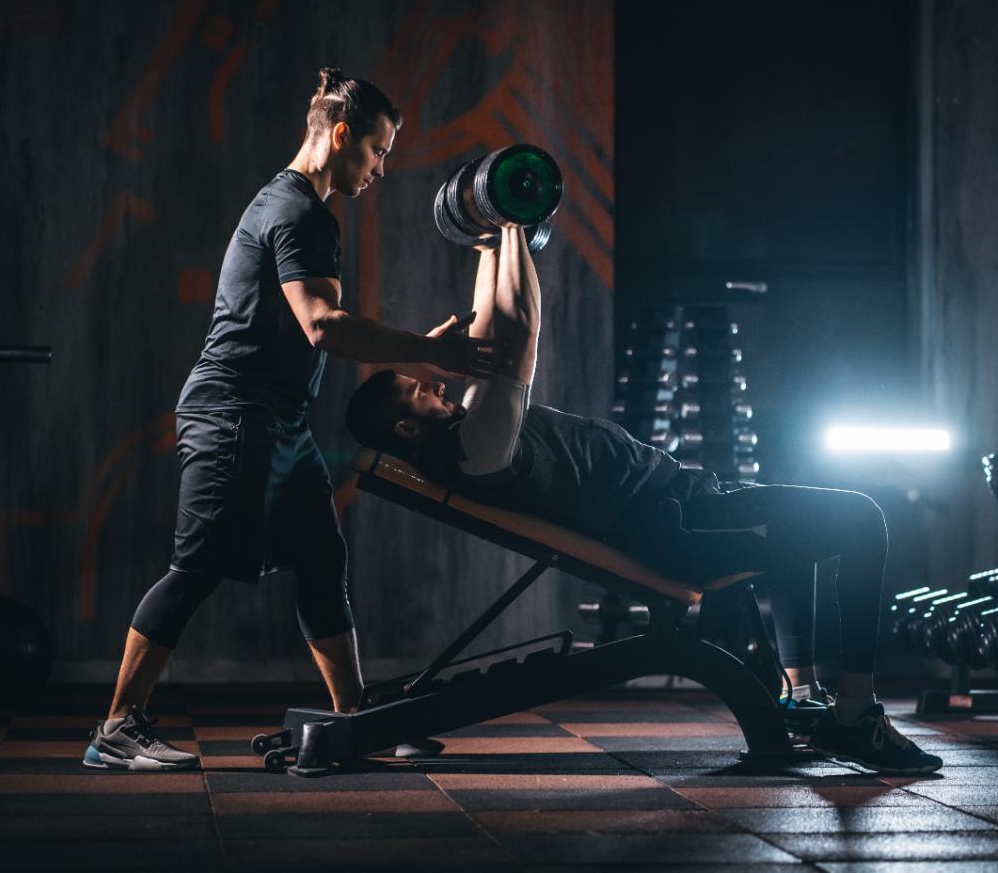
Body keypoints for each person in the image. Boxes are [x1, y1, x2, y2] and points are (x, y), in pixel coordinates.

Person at [344, 226, 943, 774]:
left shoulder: (466, 433)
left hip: (687, 501)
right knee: (863, 520)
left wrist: (487, 244)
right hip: (678, 530)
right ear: (404, 430)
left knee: (805, 520)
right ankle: (856, 716)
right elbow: (520, 330)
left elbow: (487, 330)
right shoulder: (476, 446)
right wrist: (513, 228)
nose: (434, 380)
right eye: (416, 389)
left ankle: (802, 695)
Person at [85, 68, 496, 771]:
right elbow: (323, 325)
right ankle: (117, 728)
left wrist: (417, 350)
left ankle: (354, 718)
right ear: (341, 137)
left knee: (320, 556)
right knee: (196, 567)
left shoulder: (292, 206)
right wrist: (430, 351)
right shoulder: (301, 213)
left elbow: (319, 327)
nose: (381, 168)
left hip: (276, 421)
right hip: (233, 415)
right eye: (378, 150)